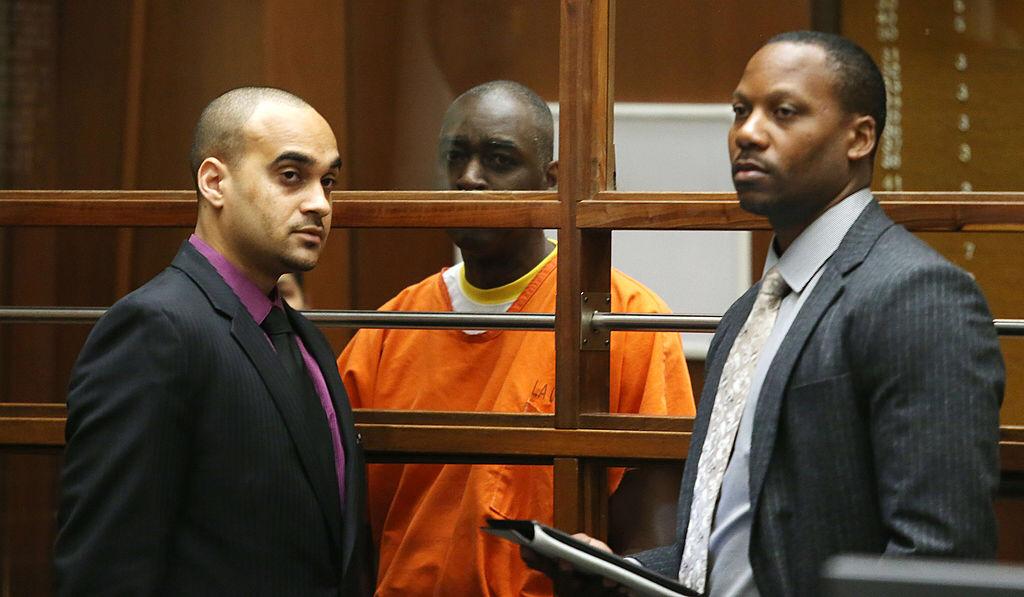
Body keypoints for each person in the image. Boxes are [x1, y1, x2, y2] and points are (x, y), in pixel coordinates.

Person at [532, 31, 1005, 597]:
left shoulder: (918, 293)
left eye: (783, 112)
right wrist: (624, 575)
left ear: (859, 138)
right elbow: (731, 556)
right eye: (740, 111)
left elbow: (938, 562)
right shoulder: (745, 315)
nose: (747, 134)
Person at [337, 80, 696, 596]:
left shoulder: (621, 319)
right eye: (455, 159)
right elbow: (349, 530)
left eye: (499, 160)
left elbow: (651, 547)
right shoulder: (391, 327)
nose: (470, 179)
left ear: (551, 181)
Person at [56, 87, 374, 596]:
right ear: (214, 182)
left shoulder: (305, 337)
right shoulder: (154, 329)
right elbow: (105, 568)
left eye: (328, 181)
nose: (319, 203)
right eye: (291, 175)